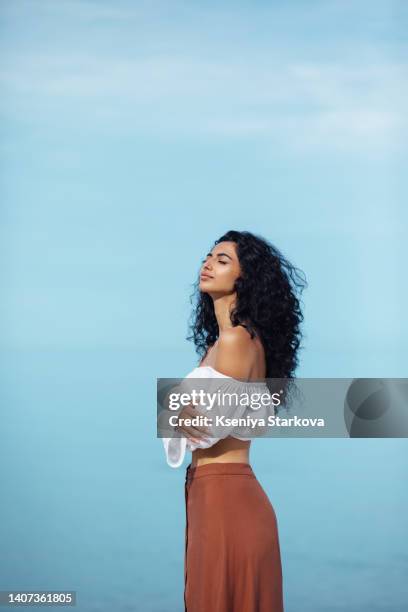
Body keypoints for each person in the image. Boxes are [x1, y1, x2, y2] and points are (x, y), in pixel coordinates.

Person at [164, 229, 307, 612]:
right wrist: (179, 411)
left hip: (226, 499)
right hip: (215, 496)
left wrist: (176, 410)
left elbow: (206, 429)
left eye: (223, 260)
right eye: (208, 257)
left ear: (244, 279)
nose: (208, 264)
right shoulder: (225, 342)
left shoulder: (236, 342)